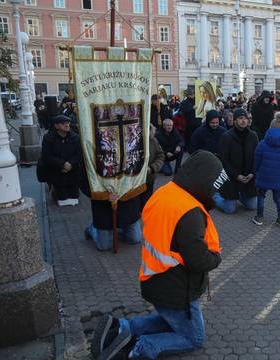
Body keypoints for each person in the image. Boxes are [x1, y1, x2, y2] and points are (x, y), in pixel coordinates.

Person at [91, 152, 227, 360]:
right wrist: (215, 257)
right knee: (194, 337)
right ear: (203, 182)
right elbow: (197, 260)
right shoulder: (189, 211)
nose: (215, 193)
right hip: (177, 290)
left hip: (156, 280)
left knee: (170, 320)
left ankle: (119, 328)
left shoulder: (166, 192)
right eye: (213, 187)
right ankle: (134, 349)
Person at [214, 108, 259, 214]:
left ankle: (240, 196)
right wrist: (236, 175)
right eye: (240, 118)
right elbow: (223, 160)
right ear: (234, 120)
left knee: (253, 206)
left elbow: (257, 156)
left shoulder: (253, 136)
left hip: (248, 178)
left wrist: (252, 173)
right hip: (231, 178)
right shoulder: (226, 137)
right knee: (230, 209)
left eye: (245, 118)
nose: (243, 121)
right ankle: (215, 196)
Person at [252, 122, 280, 227]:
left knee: (261, 195)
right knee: (278, 197)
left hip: (263, 175)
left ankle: (259, 217)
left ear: (270, 127)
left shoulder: (262, 144)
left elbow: (257, 160)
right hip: (278, 176)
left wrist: (256, 171)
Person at [40, 114, 82, 206]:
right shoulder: (48, 138)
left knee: (74, 198)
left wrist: (70, 164)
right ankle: (55, 191)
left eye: (68, 122)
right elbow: (47, 156)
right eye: (63, 123)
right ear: (56, 126)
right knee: (62, 199)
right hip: (57, 171)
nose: (67, 125)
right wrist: (62, 164)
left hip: (72, 171)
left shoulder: (75, 137)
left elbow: (79, 154)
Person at [140, 125, 165, 208]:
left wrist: (152, 168)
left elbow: (161, 156)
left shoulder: (153, 141)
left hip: (149, 177)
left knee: (147, 202)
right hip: (134, 181)